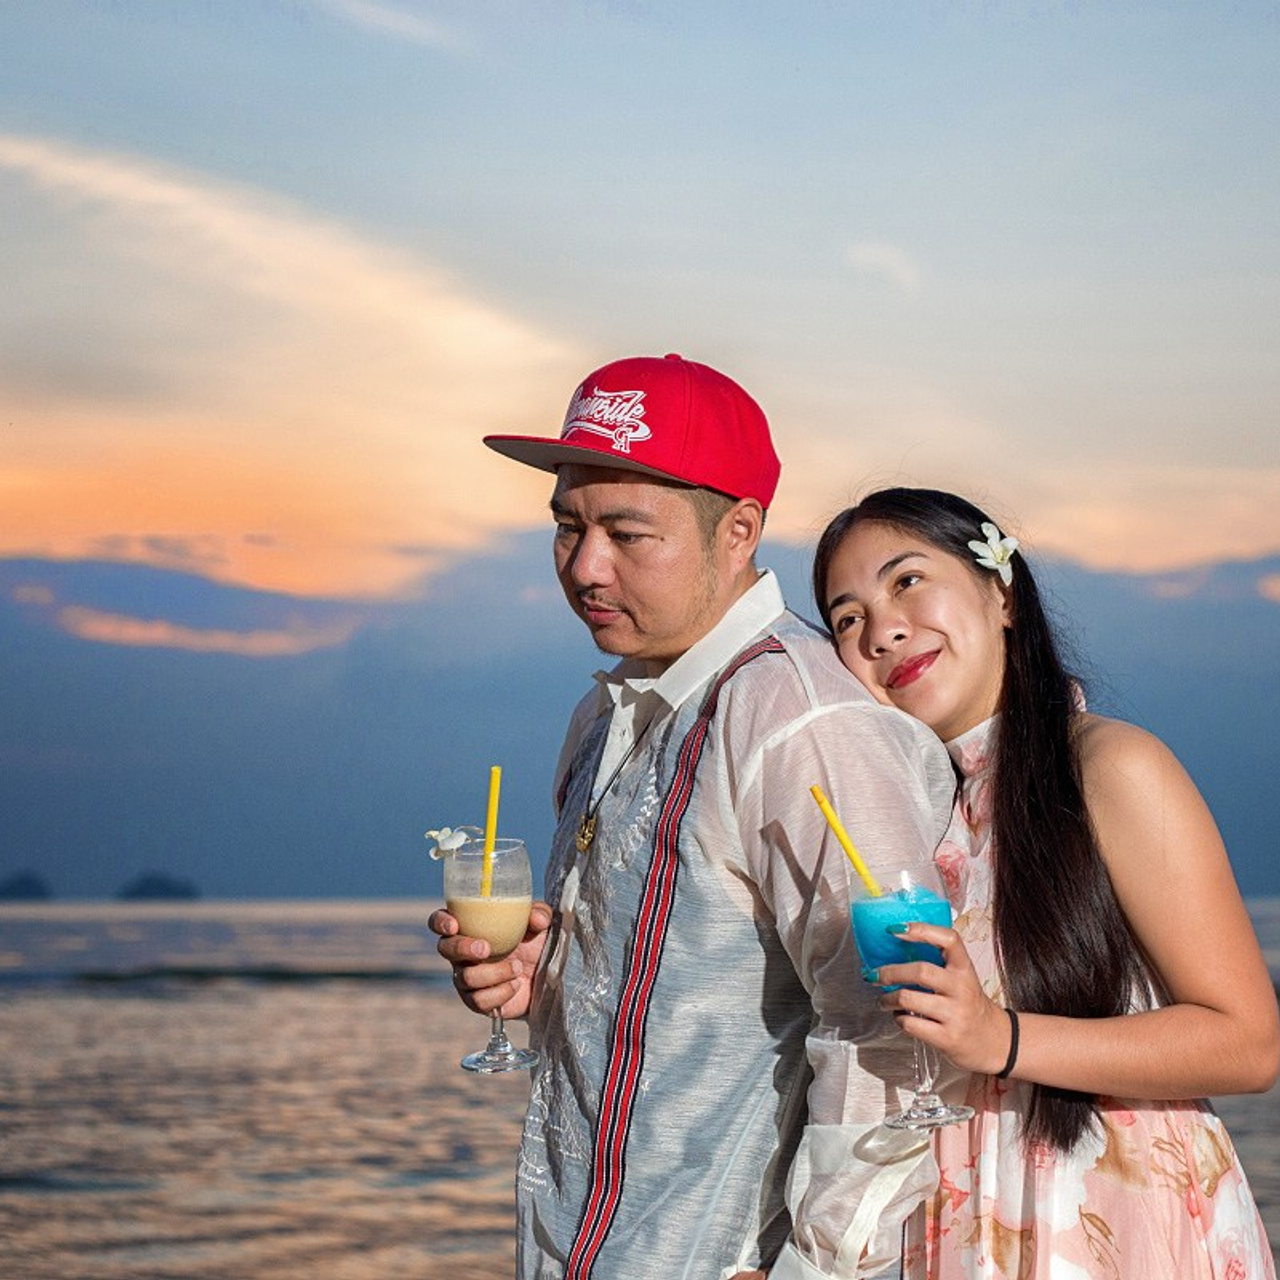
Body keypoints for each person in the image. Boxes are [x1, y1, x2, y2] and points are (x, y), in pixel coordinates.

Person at [430, 355, 957, 1279]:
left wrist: (817, 1272)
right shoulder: (603, 715)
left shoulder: (802, 720)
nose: (586, 566)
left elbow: (890, 1028)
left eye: (628, 533)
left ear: (738, 531)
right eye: (566, 527)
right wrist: (543, 978)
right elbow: (672, 979)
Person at [812, 486, 1280, 1279]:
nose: (882, 629)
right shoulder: (909, 825)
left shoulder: (1111, 767)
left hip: (1120, 1218)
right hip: (964, 1220)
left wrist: (1002, 1038)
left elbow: (1249, 1043)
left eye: (907, 581)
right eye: (846, 618)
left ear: (1001, 594)